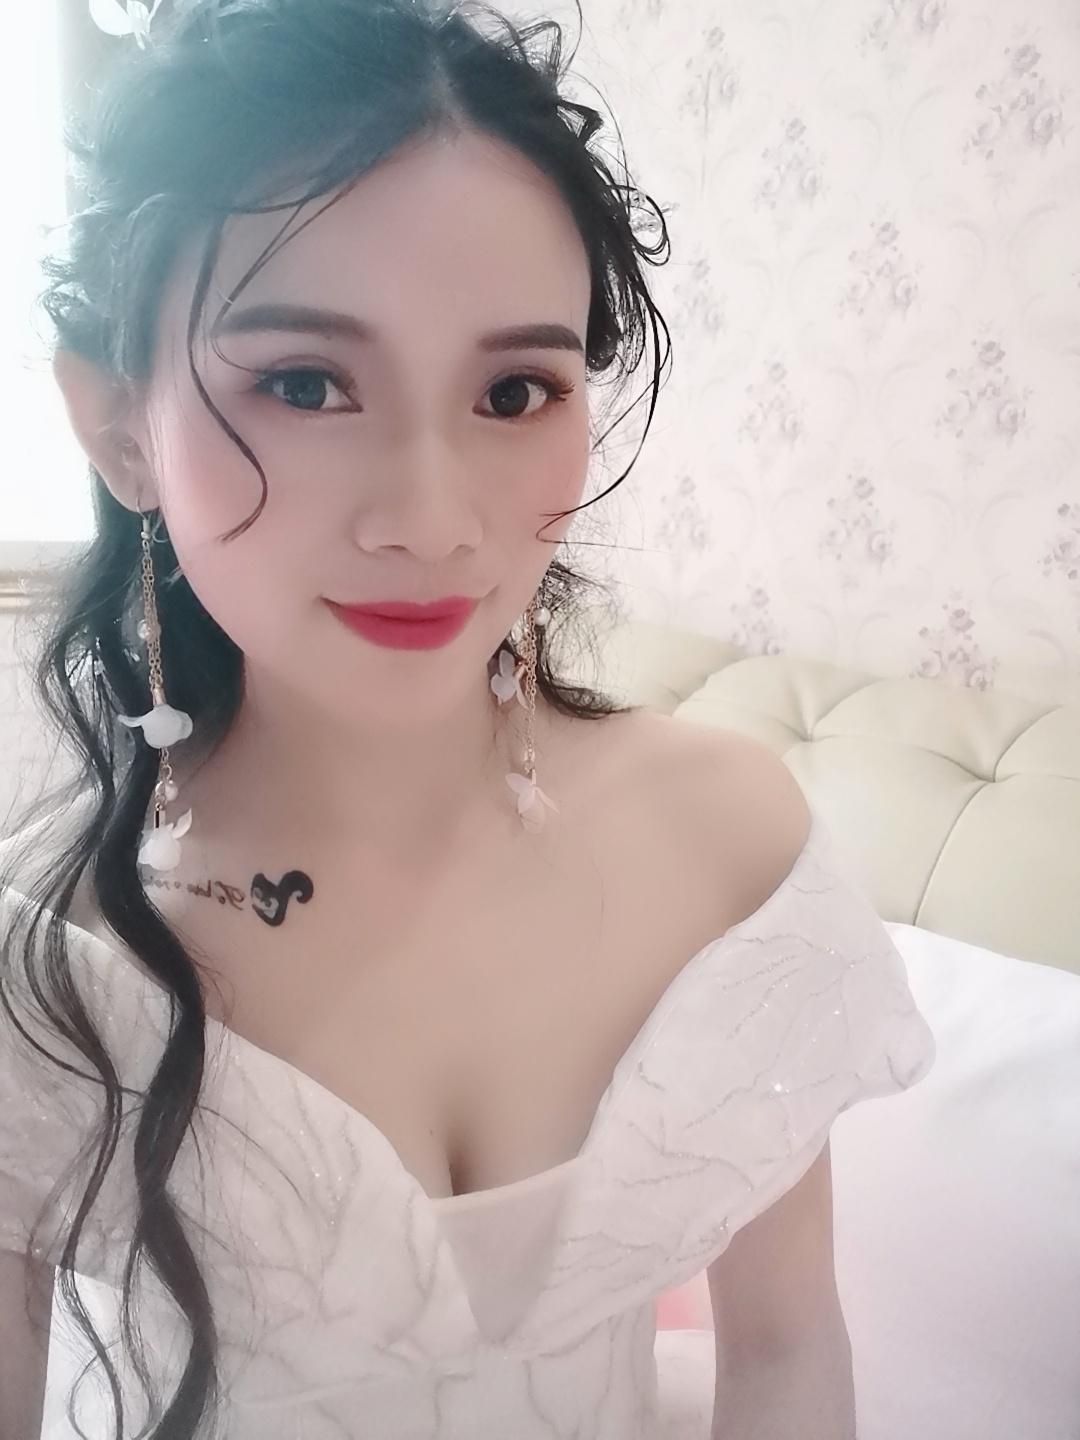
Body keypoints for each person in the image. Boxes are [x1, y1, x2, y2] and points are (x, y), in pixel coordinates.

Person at [0, 0, 936, 1436]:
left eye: (513, 390)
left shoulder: (728, 849)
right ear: (121, 426)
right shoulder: (47, 952)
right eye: (305, 383)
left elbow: (785, 1353)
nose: (434, 523)